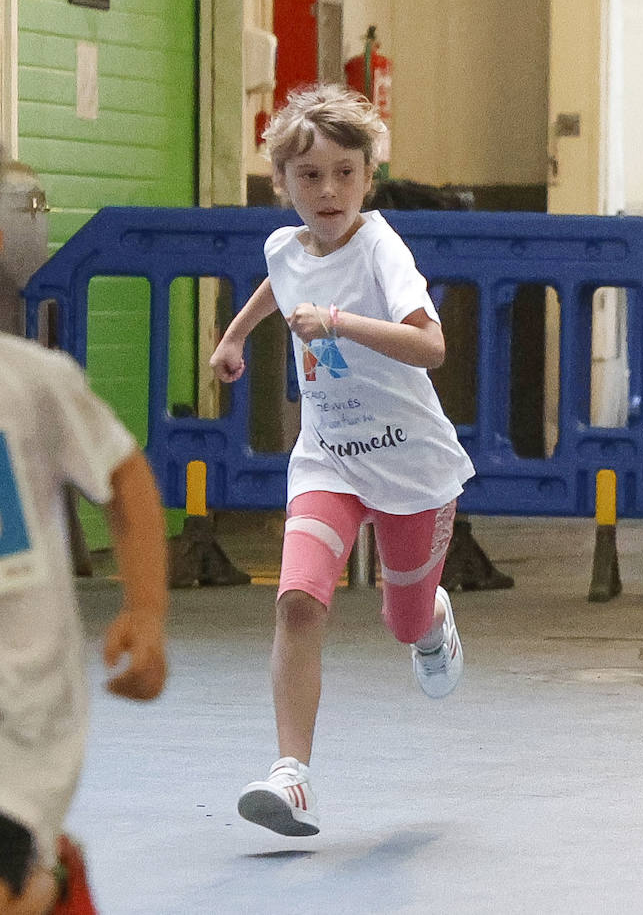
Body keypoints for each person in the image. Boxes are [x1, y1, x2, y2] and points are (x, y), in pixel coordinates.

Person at [209, 84, 474, 837]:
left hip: (409, 466)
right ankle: (292, 777)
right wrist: (234, 336)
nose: (328, 191)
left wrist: (340, 324)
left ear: (368, 175)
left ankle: (430, 622)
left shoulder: (382, 248)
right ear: (282, 183)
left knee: (403, 619)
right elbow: (281, 279)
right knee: (298, 599)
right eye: (310, 176)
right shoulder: (284, 245)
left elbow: (432, 345)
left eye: (345, 173)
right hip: (327, 457)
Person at [0, 334, 169, 914]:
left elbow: (123, 474)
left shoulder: (32, 382)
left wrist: (146, 613)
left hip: (19, 705)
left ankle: (46, 886)